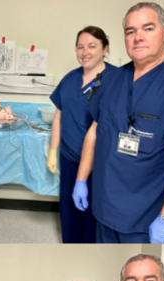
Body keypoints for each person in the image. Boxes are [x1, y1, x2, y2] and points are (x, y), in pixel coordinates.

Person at [72, 2, 164, 244]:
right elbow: (95, 131)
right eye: (130, 31)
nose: (137, 37)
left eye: (148, 28)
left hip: (150, 220)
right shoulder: (110, 80)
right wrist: (81, 179)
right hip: (106, 210)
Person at [48, 27, 116, 243]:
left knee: (94, 218)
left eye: (92, 46)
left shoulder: (117, 79)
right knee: (69, 215)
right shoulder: (70, 79)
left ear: (105, 49)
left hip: (101, 163)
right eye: (80, 47)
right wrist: (52, 151)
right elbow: (58, 117)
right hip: (69, 158)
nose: (85, 52)